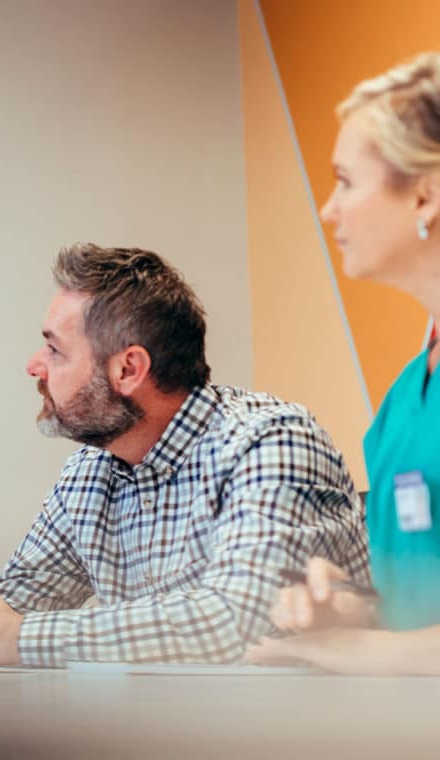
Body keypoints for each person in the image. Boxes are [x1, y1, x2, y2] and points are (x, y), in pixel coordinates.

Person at [0, 243, 369, 667]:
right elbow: (11, 604)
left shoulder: (270, 441)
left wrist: (12, 638)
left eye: (55, 350)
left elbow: (239, 619)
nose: (34, 367)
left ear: (129, 369)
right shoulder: (91, 469)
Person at [247, 53, 440, 675]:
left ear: (424, 196)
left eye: (346, 181)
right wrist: (354, 612)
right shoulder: (404, 399)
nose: (329, 210)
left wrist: (368, 652)